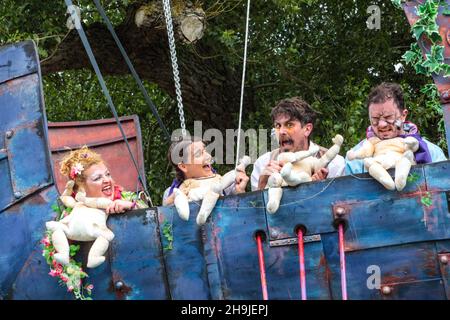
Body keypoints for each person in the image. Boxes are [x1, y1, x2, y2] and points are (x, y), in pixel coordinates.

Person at [345, 82, 447, 175]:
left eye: (388, 117)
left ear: (403, 115)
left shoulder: (433, 153)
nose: (381, 124)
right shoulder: (355, 158)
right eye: (375, 119)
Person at [251, 97, 346, 191]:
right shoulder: (262, 163)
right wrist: (261, 186)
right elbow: (254, 205)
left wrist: (319, 189)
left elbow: (343, 203)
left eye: (289, 125)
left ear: (307, 129)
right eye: (278, 126)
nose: (281, 132)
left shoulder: (334, 163)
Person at [163, 136, 249, 206]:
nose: (208, 156)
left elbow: (243, 217)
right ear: (183, 166)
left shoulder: (226, 186)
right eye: (198, 154)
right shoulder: (171, 194)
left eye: (205, 151)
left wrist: (240, 192)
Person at [59, 146, 148, 213]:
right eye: (97, 178)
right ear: (80, 188)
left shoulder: (128, 198)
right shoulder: (72, 211)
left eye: (108, 174)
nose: (107, 180)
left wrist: (132, 207)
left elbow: (152, 217)